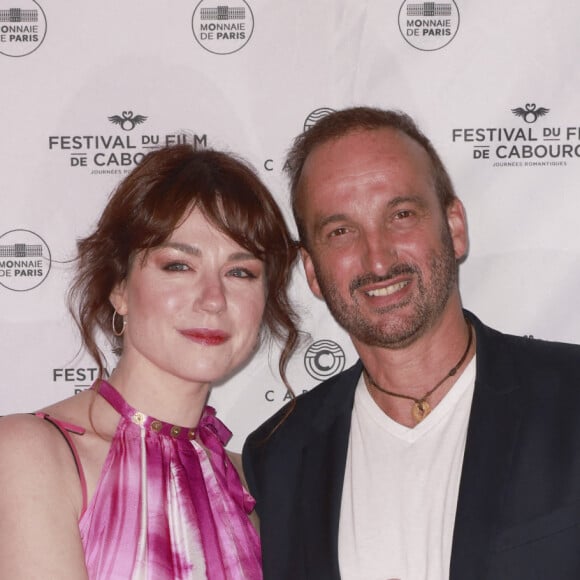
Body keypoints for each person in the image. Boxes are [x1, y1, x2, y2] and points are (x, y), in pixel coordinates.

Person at [243, 107, 580, 580]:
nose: (377, 259)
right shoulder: (279, 456)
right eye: (340, 231)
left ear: (454, 228)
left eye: (400, 215)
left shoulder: (570, 398)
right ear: (313, 272)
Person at [0, 144, 299, 579]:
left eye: (241, 272)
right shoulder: (30, 453)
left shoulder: (250, 484)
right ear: (119, 287)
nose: (214, 299)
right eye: (178, 266)